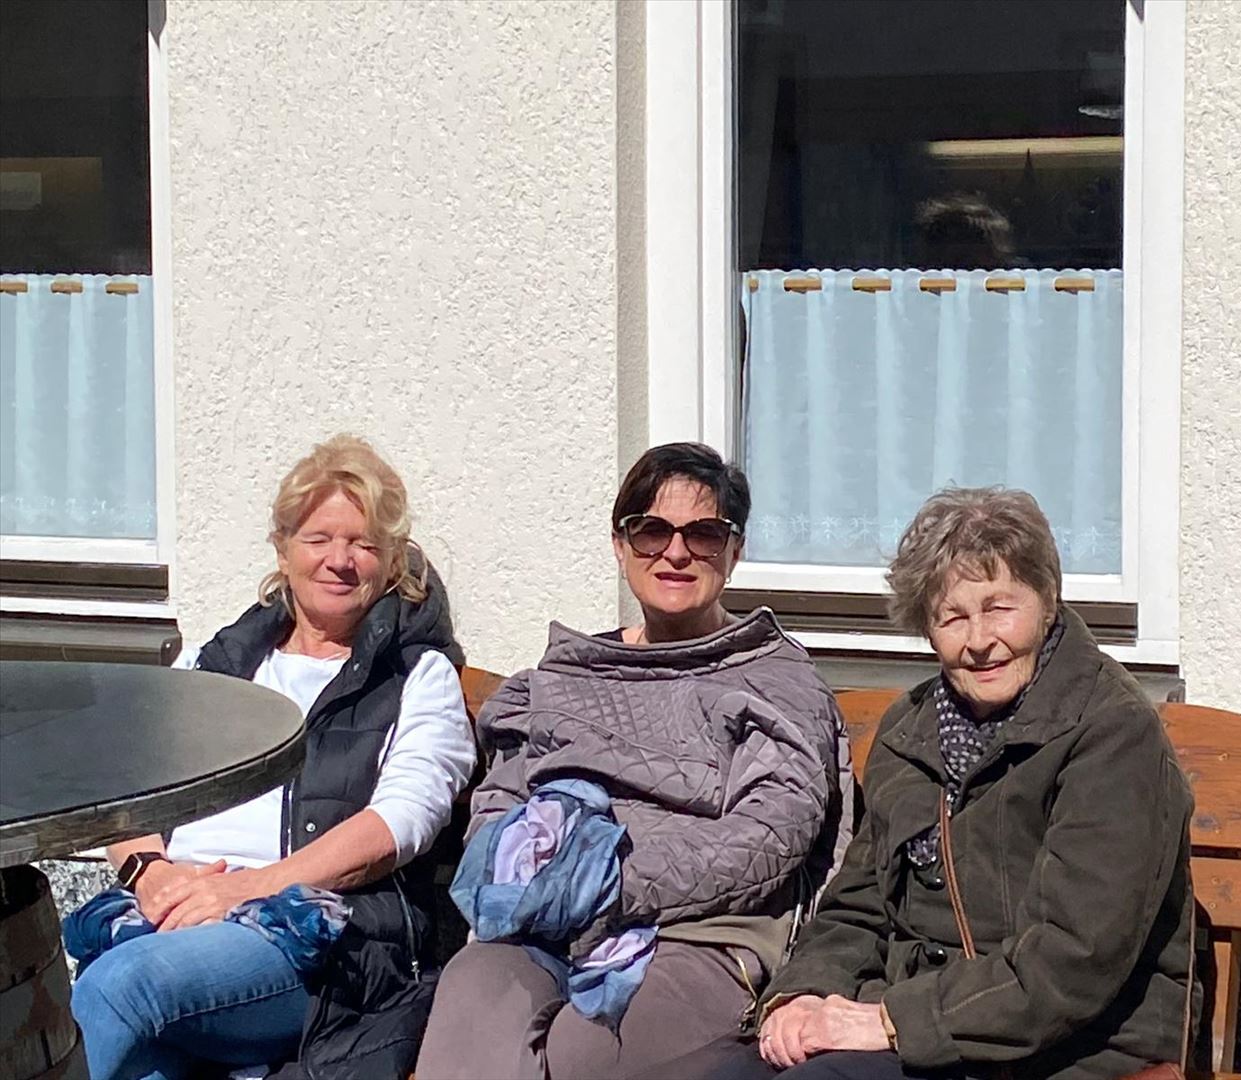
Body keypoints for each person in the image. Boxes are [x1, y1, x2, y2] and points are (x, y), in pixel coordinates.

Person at [661, 487, 1196, 1080]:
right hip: (919, 1028)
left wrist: (891, 1021)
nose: (979, 640)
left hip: (1067, 1048)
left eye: (999, 608)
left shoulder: (1112, 734)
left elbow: (1073, 957)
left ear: (1047, 602)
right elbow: (858, 905)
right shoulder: (911, 731)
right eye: (953, 617)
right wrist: (804, 994)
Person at [416, 442, 843, 1080]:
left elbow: (771, 836)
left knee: (581, 1057)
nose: (676, 552)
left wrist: (607, 885)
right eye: (651, 531)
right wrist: (524, 877)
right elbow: (498, 806)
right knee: (473, 1010)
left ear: (734, 551)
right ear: (620, 546)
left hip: (698, 936)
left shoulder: (775, 681)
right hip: (541, 929)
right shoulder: (560, 680)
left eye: (703, 534)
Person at [70, 434, 476, 1080]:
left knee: (124, 986)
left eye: (363, 544)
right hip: (178, 919)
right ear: (283, 549)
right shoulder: (219, 663)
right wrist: (153, 875)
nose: (339, 560)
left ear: (390, 561)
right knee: (143, 1058)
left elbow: (401, 822)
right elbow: (128, 786)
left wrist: (242, 890)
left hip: (319, 943)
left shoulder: (416, 676)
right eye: (319, 539)